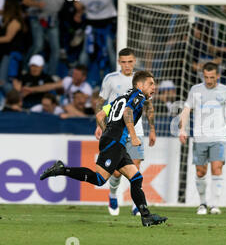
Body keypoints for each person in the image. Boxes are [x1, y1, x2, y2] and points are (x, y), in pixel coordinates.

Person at [40, 71, 167, 227]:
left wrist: (107, 131)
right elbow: (127, 112)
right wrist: (133, 136)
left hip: (113, 140)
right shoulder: (138, 96)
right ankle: (61, 169)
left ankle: (146, 216)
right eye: (151, 84)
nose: (154, 87)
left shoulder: (120, 98)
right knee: (99, 179)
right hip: (116, 141)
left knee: (136, 178)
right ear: (140, 85)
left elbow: (100, 115)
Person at [95, 48, 156, 216]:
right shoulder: (111, 79)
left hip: (137, 130)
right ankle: (113, 194)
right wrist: (100, 126)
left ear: (134, 61)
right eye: (123, 62)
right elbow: (101, 103)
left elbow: (149, 106)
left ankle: (136, 205)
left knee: (135, 168)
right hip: (117, 131)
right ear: (119, 62)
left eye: (130, 61)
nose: (127, 65)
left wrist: (152, 128)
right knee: (115, 171)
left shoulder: (143, 80)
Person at [179, 62, 226, 215]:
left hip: (219, 136)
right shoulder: (195, 90)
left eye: (212, 77)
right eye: (206, 77)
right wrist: (182, 129)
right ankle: (202, 203)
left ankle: (214, 205)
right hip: (200, 137)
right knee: (200, 172)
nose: (208, 80)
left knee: (217, 168)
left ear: (218, 76)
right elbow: (186, 109)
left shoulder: (225, 91)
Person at [22, 0, 66, 77]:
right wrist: (37, 4)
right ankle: (25, 69)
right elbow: (25, 1)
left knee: (56, 48)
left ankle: (51, 74)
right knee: (38, 45)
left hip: (53, 20)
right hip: (38, 18)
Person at [21, 64, 92, 109]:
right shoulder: (68, 80)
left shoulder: (87, 89)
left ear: (83, 78)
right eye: (74, 73)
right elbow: (49, 86)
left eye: (76, 75)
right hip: (65, 108)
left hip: (78, 111)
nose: (73, 76)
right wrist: (31, 89)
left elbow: (79, 104)